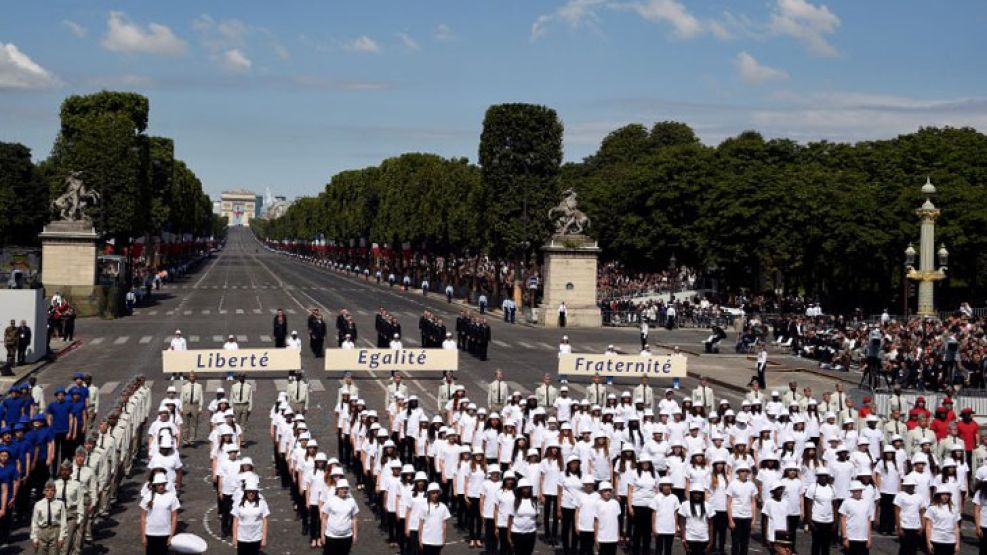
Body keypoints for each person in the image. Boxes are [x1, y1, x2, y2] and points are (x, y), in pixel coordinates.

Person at [140, 473, 179, 555]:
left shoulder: (171, 497)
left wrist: (171, 535)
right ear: (155, 485)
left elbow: (174, 517)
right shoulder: (147, 497)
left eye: (163, 484)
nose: (161, 486)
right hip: (150, 533)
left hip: (165, 533)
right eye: (159, 485)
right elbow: (143, 518)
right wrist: (143, 536)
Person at [232, 475, 270, 554]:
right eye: (249, 491)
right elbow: (235, 520)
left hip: (256, 538)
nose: (251, 494)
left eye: (253, 491)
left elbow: (265, 520)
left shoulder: (262, 502)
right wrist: (235, 537)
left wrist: (264, 538)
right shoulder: (238, 502)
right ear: (246, 492)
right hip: (242, 538)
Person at [30, 480, 67, 555]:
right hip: (42, 531)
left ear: (55, 491)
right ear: (44, 491)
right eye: (47, 490)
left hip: (55, 530)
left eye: (52, 490)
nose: (49, 492)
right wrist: (34, 538)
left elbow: (63, 520)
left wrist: (61, 537)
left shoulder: (60, 504)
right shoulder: (38, 504)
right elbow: (34, 522)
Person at [726, 465, 757, 555]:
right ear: (738, 472)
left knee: (745, 542)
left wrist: (754, 519)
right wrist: (730, 520)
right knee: (735, 542)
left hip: (747, 517)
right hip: (736, 516)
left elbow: (753, 502)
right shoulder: (732, 484)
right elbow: (729, 503)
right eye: (742, 471)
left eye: (746, 471)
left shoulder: (751, 485)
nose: (744, 473)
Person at [322, 479, 358, 555]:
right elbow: (324, 518)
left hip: (346, 536)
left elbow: (354, 519)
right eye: (342, 488)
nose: (344, 490)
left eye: (346, 488)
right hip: (331, 537)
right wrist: (322, 535)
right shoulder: (330, 501)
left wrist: (355, 535)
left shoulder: (351, 501)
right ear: (337, 489)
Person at [839, 481, 874, 555]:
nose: (858, 492)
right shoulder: (846, 502)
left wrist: (869, 538)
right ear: (852, 491)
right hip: (851, 537)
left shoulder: (866, 503)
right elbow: (843, 520)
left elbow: (868, 521)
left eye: (859, 490)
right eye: (856, 491)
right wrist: (845, 537)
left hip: (863, 538)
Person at [894, 476, 925, 555]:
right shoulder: (900, 495)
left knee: (913, 549)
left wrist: (922, 526)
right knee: (904, 549)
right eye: (909, 485)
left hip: (915, 526)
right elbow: (897, 512)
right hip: (905, 526)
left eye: (912, 485)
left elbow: (922, 512)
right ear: (906, 486)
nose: (911, 487)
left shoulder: (919, 497)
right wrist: (898, 527)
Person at [678, 489, 713, 555]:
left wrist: (711, 541)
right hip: (690, 538)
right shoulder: (685, 505)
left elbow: (711, 525)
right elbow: (682, 524)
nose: (697, 495)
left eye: (699, 493)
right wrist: (683, 539)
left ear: (702, 494)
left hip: (704, 539)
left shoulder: (707, 506)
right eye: (695, 493)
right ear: (691, 494)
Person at [509, 478, 539, 555]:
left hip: (531, 533)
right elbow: (510, 519)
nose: (525, 490)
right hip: (517, 533)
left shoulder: (534, 502)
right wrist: (508, 535)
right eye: (523, 488)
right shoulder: (515, 501)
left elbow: (536, 516)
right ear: (520, 489)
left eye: (527, 488)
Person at [419, 482, 451, 555]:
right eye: (433, 493)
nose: (435, 495)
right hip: (426, 540)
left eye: (437, 493)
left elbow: (444, 524)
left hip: (437, 540)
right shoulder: (424, 507)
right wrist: (420, 538)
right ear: (429, 494)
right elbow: (421, 523)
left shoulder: (443, 507)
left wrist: (444, 537)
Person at [594, 481, 621, 555]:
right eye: (605, 491)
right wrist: (596, 537)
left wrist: (618, 535)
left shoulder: (615, 503)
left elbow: (617, 520)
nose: (608, 493)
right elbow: (596, 521)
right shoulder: (598, 503)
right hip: (602, 538)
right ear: (601, 492)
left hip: (613, 538)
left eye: (609, 490)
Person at [180, 373, 203, 446]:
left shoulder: (199, 386)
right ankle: (185, 440)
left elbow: (201, 397)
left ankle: (192, 440)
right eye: (190, 376)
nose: (192, 378)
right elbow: (181, 398)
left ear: (195, 377)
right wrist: (181, 408)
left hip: (195, 405)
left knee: (194, 424)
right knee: (185, 424)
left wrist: (200, 407)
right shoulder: (184, 386)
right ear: (188, 378)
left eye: (193, 376)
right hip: (186, 405)